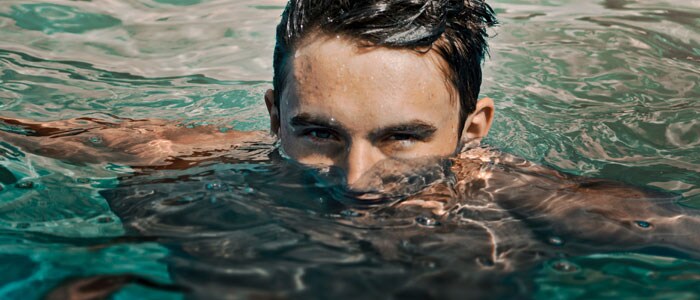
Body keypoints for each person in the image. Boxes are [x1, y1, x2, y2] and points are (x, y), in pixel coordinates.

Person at [2, 0, 700, 297]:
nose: (357, 179)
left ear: (474, 127)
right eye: (319, 133)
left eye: (402, 137)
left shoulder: (550, 207)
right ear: (275, 114)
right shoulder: (181, 161)